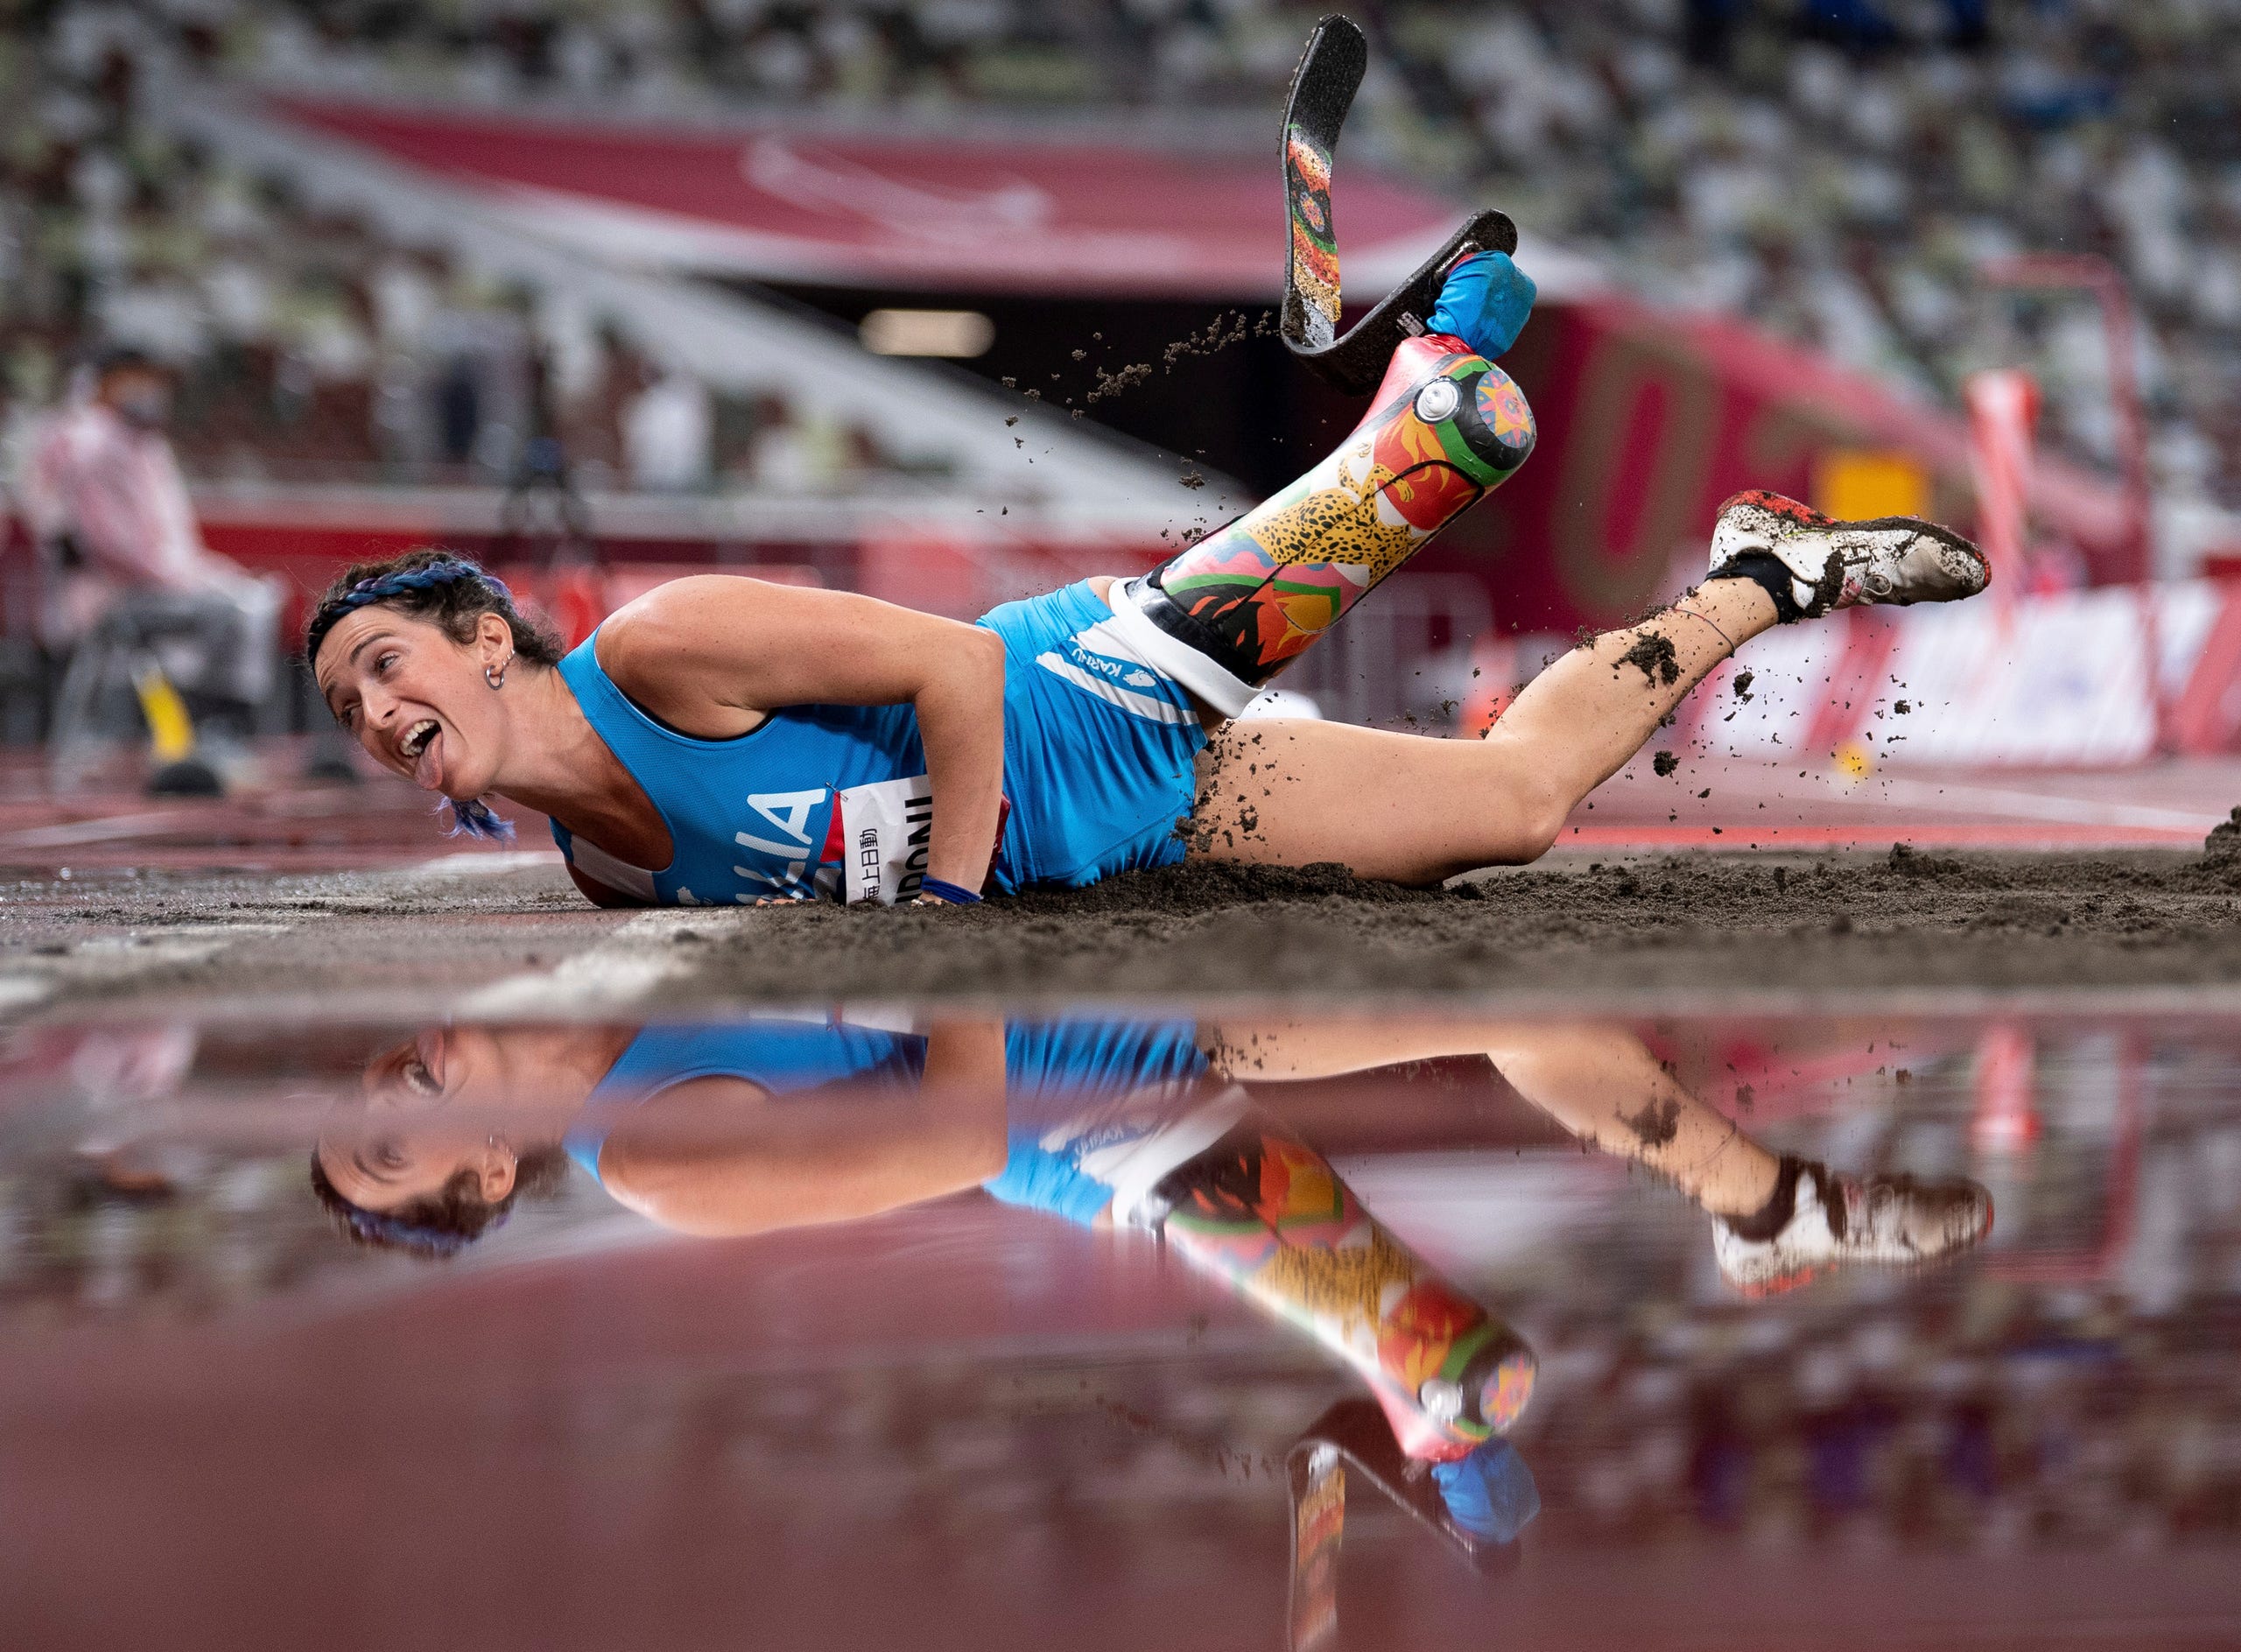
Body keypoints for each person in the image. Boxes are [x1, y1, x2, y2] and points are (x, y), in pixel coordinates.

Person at [306, 251, 1989, 907]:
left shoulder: (664, 644)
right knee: (1515, 808)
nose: (377, 710)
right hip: (1134, 834)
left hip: (1108, 687)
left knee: (1471, 429)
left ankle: (1425, 356)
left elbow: (956, 674)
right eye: (346, 706)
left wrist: (955, 905)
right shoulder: (608, 877)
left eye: (385, 662)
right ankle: (1765, 572)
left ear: (482, 634)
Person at [21, 346, 284, 749]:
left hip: (154, 582)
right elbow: (111, 545)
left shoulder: (144, 444)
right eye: (138, 378)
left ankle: (201, 734)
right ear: (107, 382)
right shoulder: (90, 444)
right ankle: (213, 730)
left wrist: (206, 572)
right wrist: (190, 579)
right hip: (112, 593)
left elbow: (169, 537)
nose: (150, 390)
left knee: (253, 596)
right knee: (234, 611)